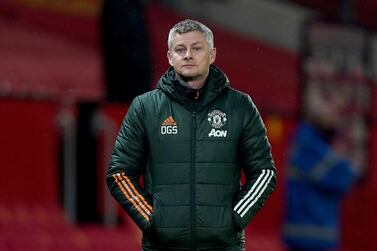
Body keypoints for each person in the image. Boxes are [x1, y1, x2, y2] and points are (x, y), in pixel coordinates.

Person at [107, 19, 277, 251]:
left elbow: (264, 172)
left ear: (212, 54)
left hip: (223, 246)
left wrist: (234, 219)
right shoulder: (145, 108)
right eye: (180, 49)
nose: (188, 55)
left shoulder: (240, 106)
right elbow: (119, 173)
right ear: (169, 57)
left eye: (197, 48)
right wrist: (152, 220)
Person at [282, 84, 359, 251]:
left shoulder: (314, 142)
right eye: (333, 108)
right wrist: (344, 159)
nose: (337, 116)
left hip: (312, 235)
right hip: (310, 237)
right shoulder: (308, 143)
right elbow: (343, 179)